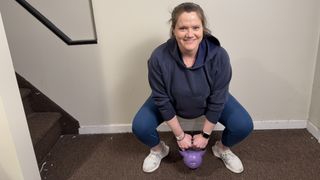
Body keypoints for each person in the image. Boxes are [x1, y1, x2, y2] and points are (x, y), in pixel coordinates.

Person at [132, 2, 253, 173]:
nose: (190, 34)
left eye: (196, 27)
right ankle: (159, 150)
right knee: (140, 126)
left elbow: (219, 98)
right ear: (173, 29)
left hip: (209, 99)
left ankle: (222, 149)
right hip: (171, 100)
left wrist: (205, 136)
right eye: (183, 28)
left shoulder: (219, 56)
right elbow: (161, 99)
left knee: (243, 124)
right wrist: (180, 136)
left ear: (203, 28)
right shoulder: (158, 57)